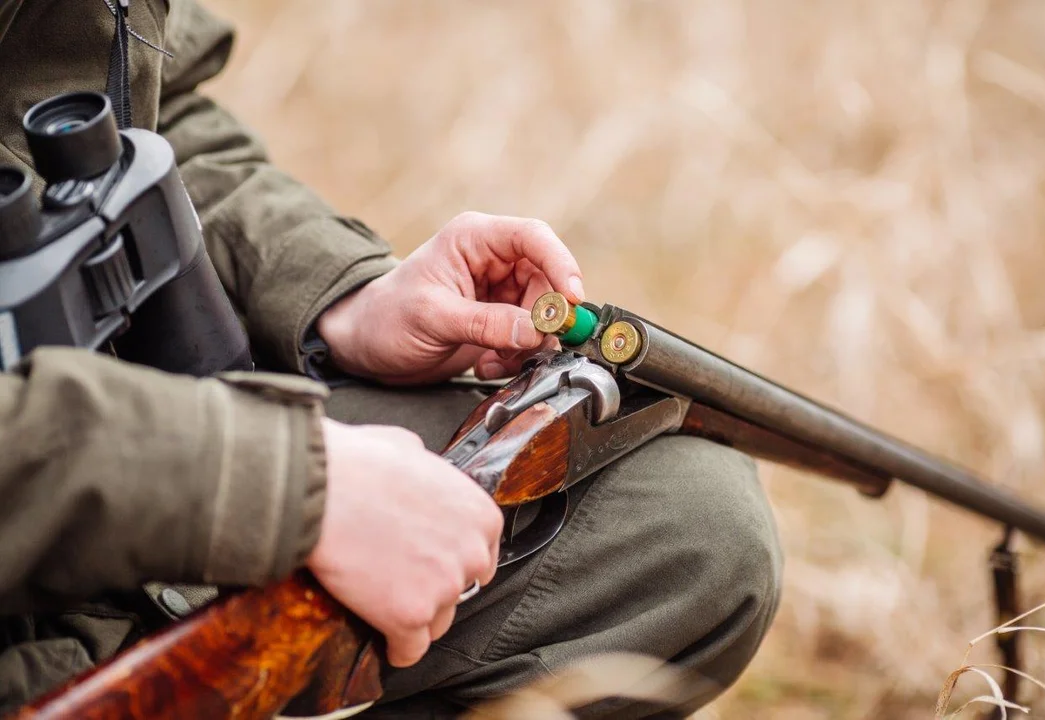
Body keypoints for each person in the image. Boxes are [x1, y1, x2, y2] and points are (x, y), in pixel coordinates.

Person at [0, 1, 784, 717]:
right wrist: (277, 484)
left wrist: (341, 294)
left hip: (122, 427)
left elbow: (156, 112)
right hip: (68, 497)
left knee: (691, 532)